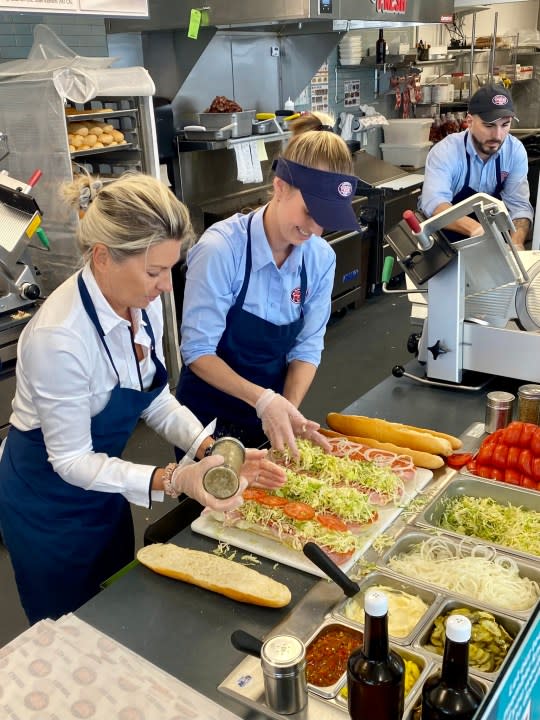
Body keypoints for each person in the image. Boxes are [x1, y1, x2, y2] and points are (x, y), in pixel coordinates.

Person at [0, 173, 285, 625]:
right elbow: (72, 461)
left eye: (169, 269)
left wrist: (211, 450)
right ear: (102, 257)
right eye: (154, 272)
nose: (166, 286)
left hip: (103, 491)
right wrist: (174, 479)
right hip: (47, 505)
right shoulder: (60, 337)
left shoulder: (143, 301)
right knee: (68, 634)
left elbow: (154, 399)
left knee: (114, 607)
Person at [176, 112, 359, 456]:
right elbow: (197, 352)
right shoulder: (221, 250)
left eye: (327, 219)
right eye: (309, 212)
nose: (315, 230)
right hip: (206, 423)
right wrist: (263, 401)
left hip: (268, 419)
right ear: (279, 188)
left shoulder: (319, 258)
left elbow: (307, 348)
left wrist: (285, 412)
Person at [419, 84, 533, 249]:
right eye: (489, 126)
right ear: (469, 121)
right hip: (444, 243)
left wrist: (516, 243)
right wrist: (477, 229)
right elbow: (436, 205)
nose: (498, 135)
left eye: (505, 125)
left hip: (491, 242)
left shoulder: (514, 151)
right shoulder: (446, 151)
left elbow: (519, 207)